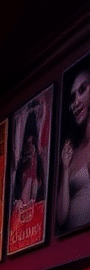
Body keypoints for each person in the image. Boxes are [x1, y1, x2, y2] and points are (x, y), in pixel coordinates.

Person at [56, 59, 90, 235]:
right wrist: (65, 167)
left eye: (82, 90)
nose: (76, 102)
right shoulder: (72, 152)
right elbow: (61, 218)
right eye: (72, 97)